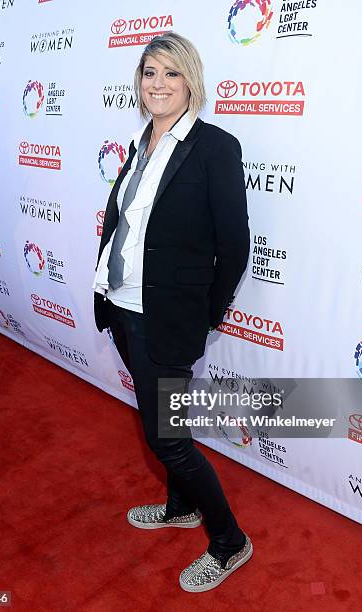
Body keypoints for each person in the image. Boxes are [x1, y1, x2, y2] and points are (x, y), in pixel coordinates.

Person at [93, 31, 251, 592]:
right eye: (149, 73)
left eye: (171, 73)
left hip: (171, 317)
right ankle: (182, 508)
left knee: (168, 439)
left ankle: (230, 541)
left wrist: (205, 313)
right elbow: (128, 226)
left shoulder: (214, 147)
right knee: (160, 423)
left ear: (191, 82)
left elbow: (234, 245)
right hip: (124, 305)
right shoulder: (140, 142)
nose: (158, 84)